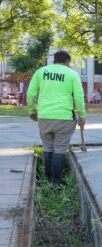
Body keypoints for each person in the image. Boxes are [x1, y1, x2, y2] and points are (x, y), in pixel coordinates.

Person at [26, 50, 86, 184]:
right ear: (67, 62)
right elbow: (79, 97)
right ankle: (57, 182)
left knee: (47, 146)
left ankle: (47, 178)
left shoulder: (41, 72)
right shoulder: (72, 74)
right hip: (65, 118)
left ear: (54, 60)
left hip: (44, 116)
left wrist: (32, 110)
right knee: (60, 148)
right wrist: (82, 115)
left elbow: (30, 94)